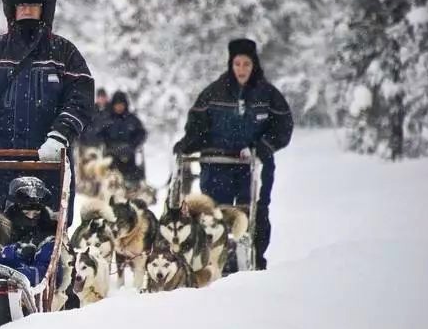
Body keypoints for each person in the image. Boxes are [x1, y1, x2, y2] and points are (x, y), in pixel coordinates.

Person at [0, 0, 94, 223]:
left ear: (44, 10)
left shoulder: (64, 53)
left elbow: (80, 98)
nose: (27, 10)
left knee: (46, 230)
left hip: (47, 160)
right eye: (22, 5)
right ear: (12, 10)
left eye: (34, 5)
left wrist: (59, 136)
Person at [173, 38, 293, 270]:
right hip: (216, 164)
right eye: (237, 64)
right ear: (231, 64)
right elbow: (197, 126)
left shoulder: (266, 94)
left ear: (254, 64)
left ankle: (254, 258)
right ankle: (219, 262)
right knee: (216, 213)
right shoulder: (214, 93)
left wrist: (264, 145)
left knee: (252, 213)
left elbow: (283, 125)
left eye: (246, 64)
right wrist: (187, 144)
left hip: (249, 165)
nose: (241, 69)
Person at [98, 90, 148, 183]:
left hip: (128, 156)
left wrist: (132, 145)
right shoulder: (106, 119)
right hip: (110, 156)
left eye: (121, 104)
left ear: (125, 105)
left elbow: (142, 133)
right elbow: (99, 134)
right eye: (117, 104)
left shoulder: (132, 119)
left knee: (132, 179)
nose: (119, 107)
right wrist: (108, 145)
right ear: (113, 105)